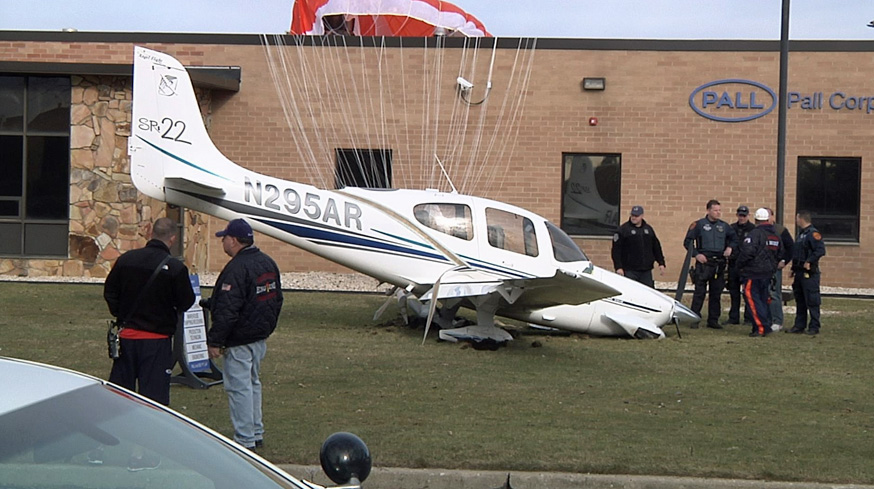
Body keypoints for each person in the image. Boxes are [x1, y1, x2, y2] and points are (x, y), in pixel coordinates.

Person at [204, 218, 283, 450]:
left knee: (239, 387)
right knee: (253, 383)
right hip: (259, 337)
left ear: (234, 240)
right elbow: (276, 300)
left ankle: (244, 440)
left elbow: (229, 309)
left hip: (239, 339)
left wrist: (215, 340)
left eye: (225, 238)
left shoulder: (237, 268)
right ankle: (256, 432)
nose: (223, 242)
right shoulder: (267, 262)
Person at [104, 217, 196, 406]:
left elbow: (110, 291)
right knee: (154, 400)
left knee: (120, 396)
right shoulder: (176, 268)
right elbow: (186, 301)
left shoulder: (126, 259)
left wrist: (120, 313)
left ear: (150, 233)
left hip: (127, 336)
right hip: (157, 340)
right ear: (172, 239)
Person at [683, 199, 738, 329]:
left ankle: (713, 320)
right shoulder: (698, 225)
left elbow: (735, 239)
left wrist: (730, 247)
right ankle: (694, 318)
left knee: (716, 293)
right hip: (704, 262)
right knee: (699, 293)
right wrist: (696, 254)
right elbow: (688, 242)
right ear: (708, 210)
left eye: (719, 210)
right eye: (715, 210)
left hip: (718, 263)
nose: (718, 213)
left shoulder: (724, 226)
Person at [736, 208, 783, 337]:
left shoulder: (755, 234)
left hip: (753, 273)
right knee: (763, 300)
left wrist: (739, 266)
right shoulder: (775, 235)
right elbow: (780, 253)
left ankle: (761, 327)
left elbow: (747, 252)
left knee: (753, 300)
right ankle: (764, 324)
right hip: (768, 273)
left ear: (756, 220)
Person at [788, 211, 826, 335]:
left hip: (809, 273)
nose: (796, 220)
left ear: (801, 218)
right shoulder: (801, 234)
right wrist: (793, 269)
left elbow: (820, 250)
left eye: (797, 218)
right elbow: (797, 253)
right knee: (800, 300)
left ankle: (814, 326)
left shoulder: (813, 233)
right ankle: (799, 325)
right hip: (799, 272)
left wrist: (810, 261)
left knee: (812, 300)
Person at [611, 205, 666, 288]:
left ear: (642, 216)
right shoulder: (623, 230)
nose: (634, 218)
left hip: (646, 271)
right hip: (629, 270)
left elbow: (656, 247)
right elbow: (616, 250)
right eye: (632, 215)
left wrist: (661, 263)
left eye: (636, 216)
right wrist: (618, 267)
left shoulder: (648, 230)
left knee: (647, 293)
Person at [725, 205, 755, 325]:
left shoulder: (753, 229)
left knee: (748, 293)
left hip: (747, 265)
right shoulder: (731, 228)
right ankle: (734, 317)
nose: (742, 218)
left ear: (748, 215)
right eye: (740, 215)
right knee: (734, 292)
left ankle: (748, 318)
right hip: (734, 264)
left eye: (744, 215)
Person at [766, 207, 794, 331]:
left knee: (774, 294)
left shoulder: (780, 230)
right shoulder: (758, 230)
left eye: (767, 216)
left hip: (774, 268)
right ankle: (765, 319)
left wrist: (784, 261)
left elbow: (791, 248)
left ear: (772, 217)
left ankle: (777, 320)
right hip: (760, 268)